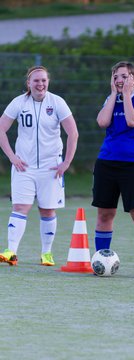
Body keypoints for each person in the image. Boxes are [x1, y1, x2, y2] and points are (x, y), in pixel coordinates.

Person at [0, 65, 79, 266]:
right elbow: (1, 129)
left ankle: (46, 254)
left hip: (51, 168)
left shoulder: (57, 102)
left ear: (48, 82)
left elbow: (73, 133)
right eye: (36, 80)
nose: (40, 84)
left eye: (44, 80)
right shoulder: (19, 102)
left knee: (47, 210)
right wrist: (12, 156)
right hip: (23, 167)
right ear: (28, 83)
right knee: (20, 207)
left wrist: (66, 162)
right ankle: (11, 252)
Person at [92, 61, 134, 279]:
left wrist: (128, 95)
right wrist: (114, 95)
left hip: (133, 164)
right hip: (107, 162)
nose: (118, 80)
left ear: (133, 78)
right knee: (104, 213)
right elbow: (102, 122)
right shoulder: (111, 99)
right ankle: (100, 261)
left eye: (123, 76)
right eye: (115, 76)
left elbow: (132, 121)